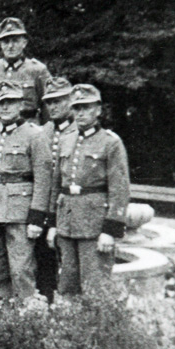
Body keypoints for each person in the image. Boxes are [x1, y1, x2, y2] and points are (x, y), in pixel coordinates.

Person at [47, 84, 130, 295]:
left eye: (86, 107)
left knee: (95, 286)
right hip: (67, 222)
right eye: (76, 108)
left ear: (98, 110)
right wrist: (53, 224)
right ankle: (70, 326)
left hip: (94, 225)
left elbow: (119, 189)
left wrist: (110, 231)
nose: (80, 113)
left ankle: (95, 327)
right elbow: (57, 185)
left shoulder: (111, 142)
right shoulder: (65, 141)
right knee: (67, 283)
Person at [0, 80, 53, 300]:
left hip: (20, 209)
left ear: (21, 104)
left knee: (21, 266)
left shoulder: (35, 135)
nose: (5, 107)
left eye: (10, 102)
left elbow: (43, 177)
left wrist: (37, 217)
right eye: (1, 103)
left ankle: (25, 310)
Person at [35, 77, 76, 301]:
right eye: (49, 102)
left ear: (71, 100)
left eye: (59, 101)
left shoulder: (80, 131)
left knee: (70, 264)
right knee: (43, 259)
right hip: (44, 205)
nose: (53, 106)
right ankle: (46, 302)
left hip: (70, 206)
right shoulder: (42, 132)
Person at [0, 17, 52, 132]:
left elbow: (47, 108)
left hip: (28, 128)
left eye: (15, 41)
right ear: (0, 43)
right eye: (6, 41)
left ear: (24, 42)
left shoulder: (37, 70)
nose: (10, 46)